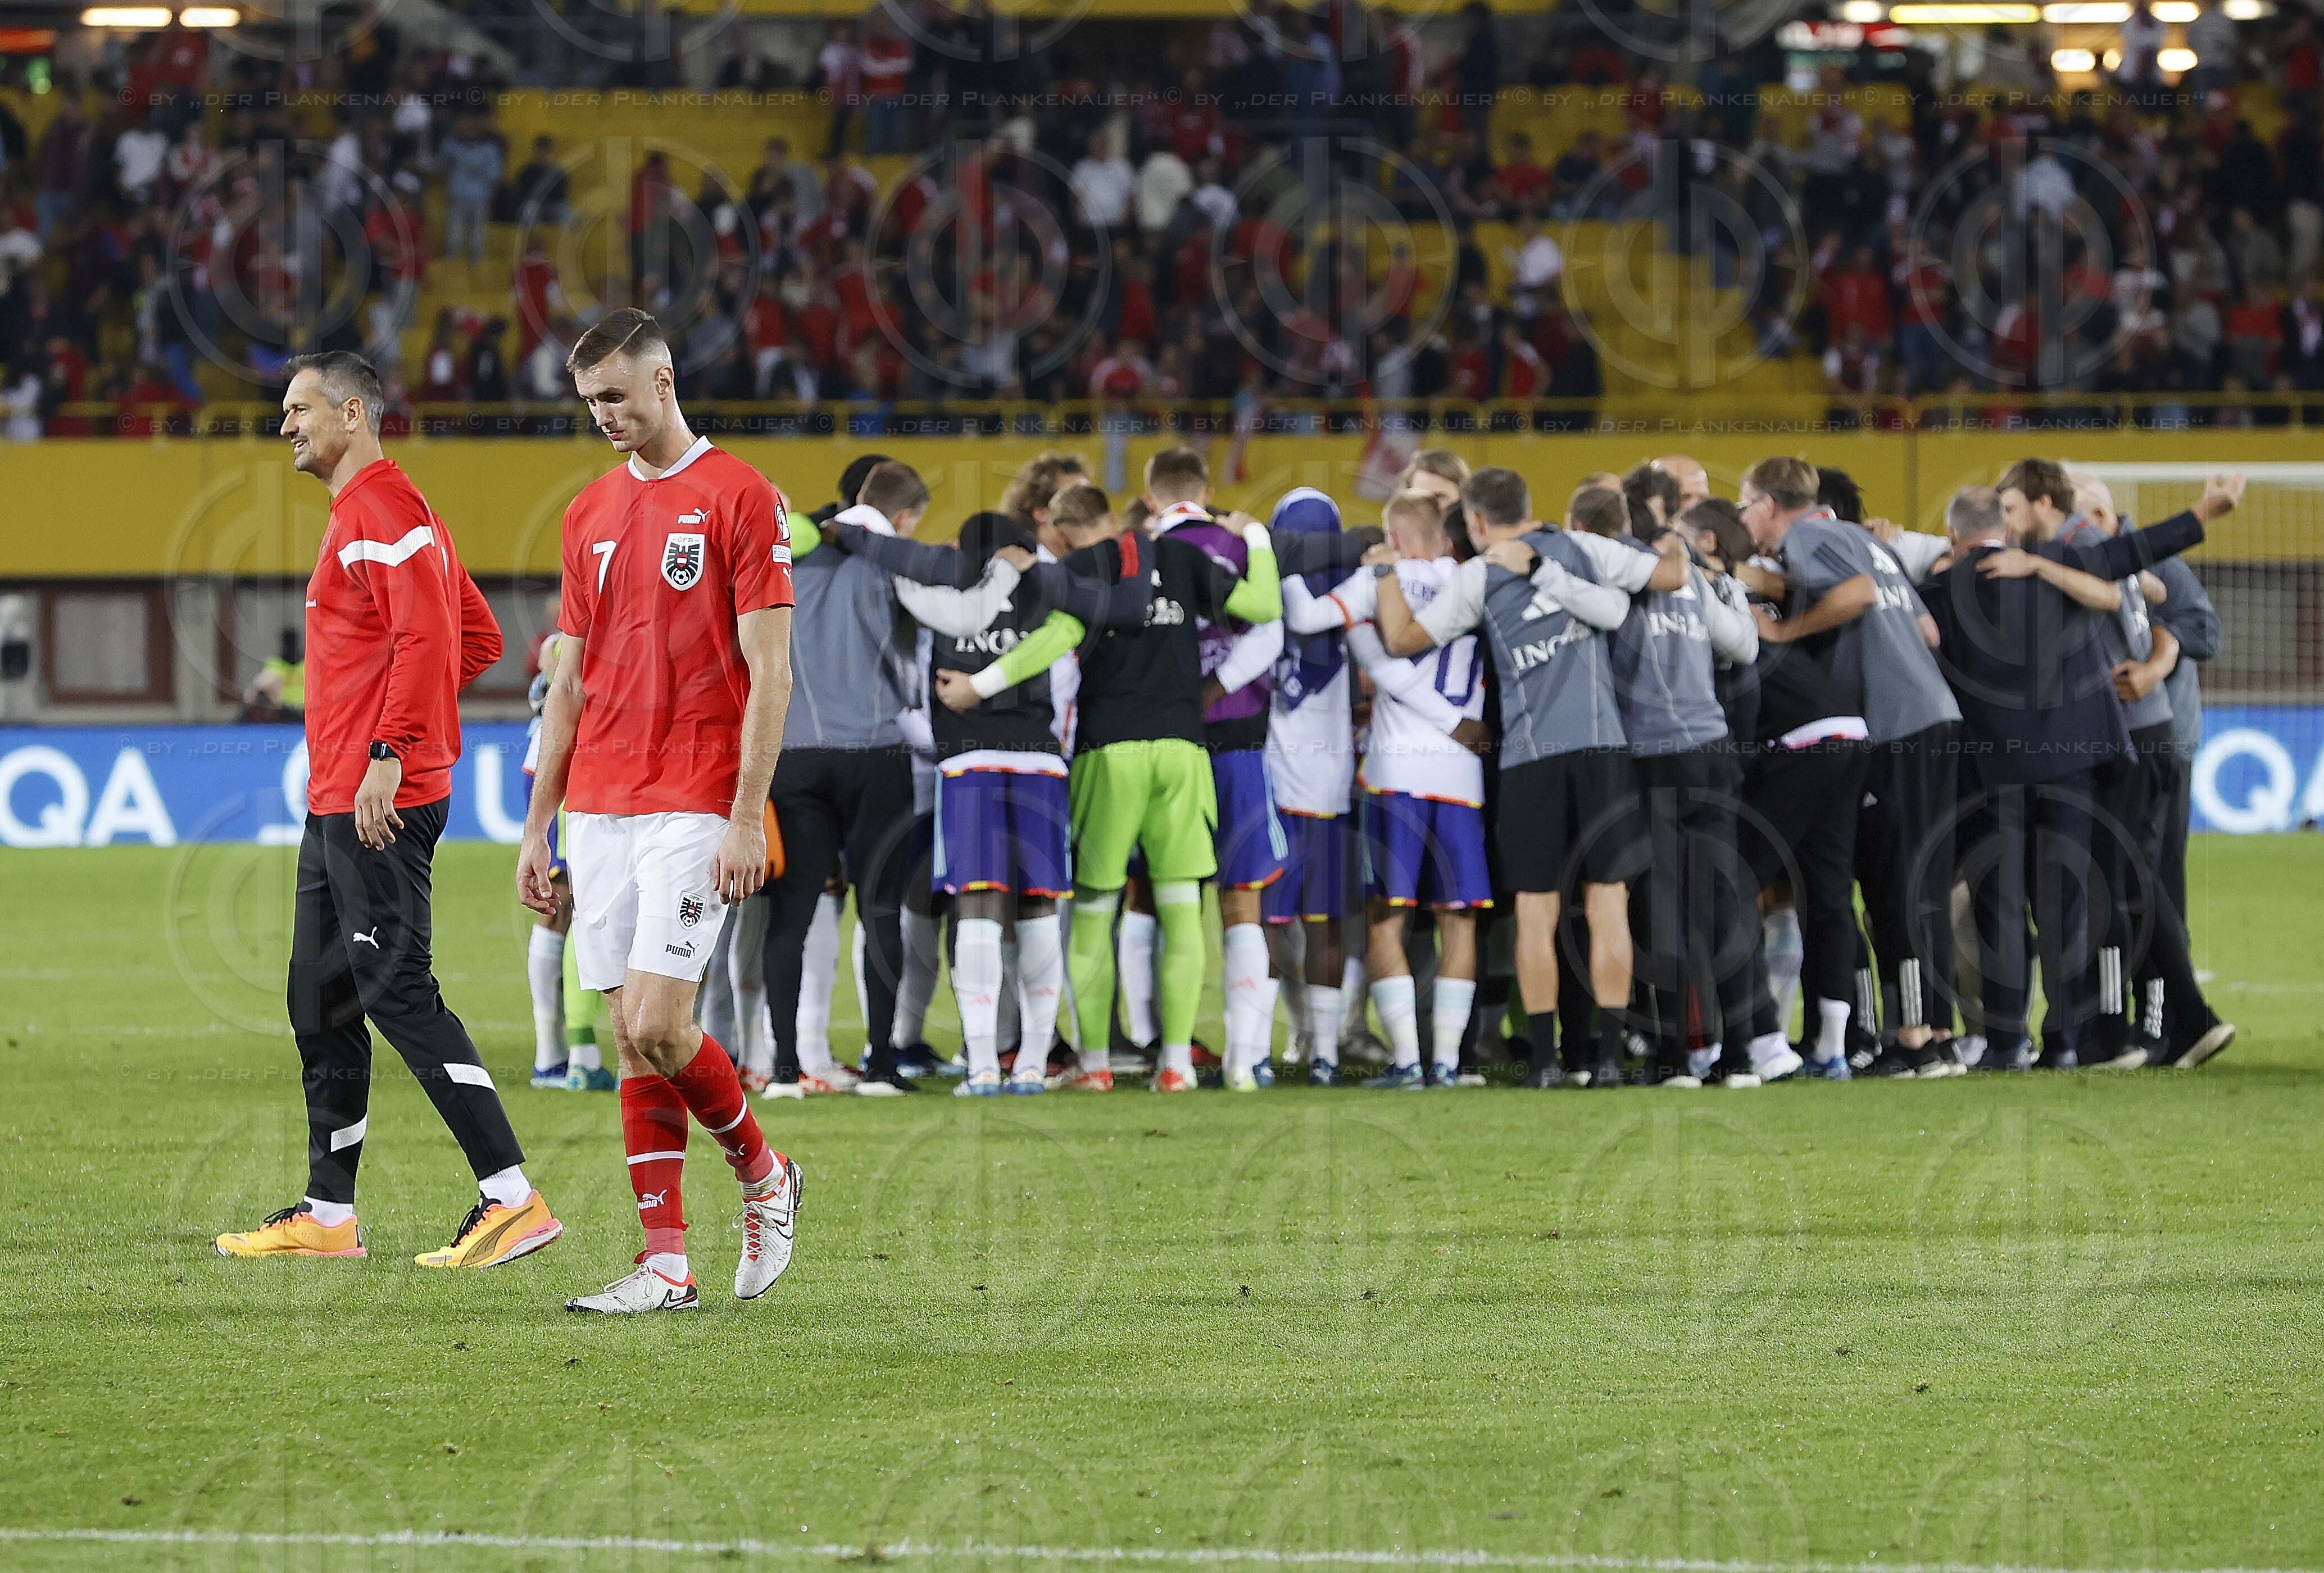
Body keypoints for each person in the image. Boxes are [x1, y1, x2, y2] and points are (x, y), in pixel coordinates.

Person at [216, 352, 562, 1270]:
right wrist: (387, 731)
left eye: (299, 408)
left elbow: (425, 636)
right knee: (319, 998)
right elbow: (475, 637)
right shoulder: (395, 516)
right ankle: (329, 1216)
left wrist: (388, 750)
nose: (285, 424)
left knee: (398, 992)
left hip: (377, 798)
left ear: (353, 411)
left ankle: (512, 1199)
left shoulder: (382, 512)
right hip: (341, 797)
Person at [517, 310, 802, 1315]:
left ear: (665, 381)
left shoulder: (741, 497)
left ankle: (766, 1178)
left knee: (661, 1022)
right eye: (590, 399)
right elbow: (570, 680)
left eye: (617, 396)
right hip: (599, 800)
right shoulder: (588, 513)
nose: (603, 414)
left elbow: (772, 671)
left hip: (695, 796)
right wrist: (537, 824)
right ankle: (666, 1264)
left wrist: (744, 814)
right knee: (627, 1039)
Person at [962, 481, 1282, 1092]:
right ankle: (1177, 1065)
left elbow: (1053, 642)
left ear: (1061, 529)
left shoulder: (1082, 569)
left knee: (1093, 911)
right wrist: (1257, 539)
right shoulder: (1187, 559)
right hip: (1183, 751)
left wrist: (978, 686)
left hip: (1109, 752)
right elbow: (1264, 607)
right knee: (1182, 908)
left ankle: (1097, 1066)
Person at [1374, 471, 1683, 1090]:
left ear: (1476, 520)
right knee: (1607, 906)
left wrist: (1384, 570)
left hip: (1529, 757)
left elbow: (1403, 638)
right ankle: (1604, 1059)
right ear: (1529, 506)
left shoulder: (1477, 576)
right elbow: (1671, 576)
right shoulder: (1583, 548)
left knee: (1536, 912)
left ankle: (1543, 1061)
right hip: (1602, 751)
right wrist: (1676, 534)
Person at [1927, 477, 2224, 1070]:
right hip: (2076, 760)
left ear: (1952, 536)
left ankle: (2008, 1042)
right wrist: (2203, 511)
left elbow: (1924, 641)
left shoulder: (1937, 590)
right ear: (2006, 529)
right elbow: (2133, 554)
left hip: (1997, 766)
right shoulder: (2057, 564)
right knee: (2070, 901)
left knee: (2001, 903)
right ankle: (2069, 1038)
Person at [1741, 456, 1965, 1077]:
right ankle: (1937, 1034)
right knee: (1919, 880)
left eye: (1744, 505)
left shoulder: (1808, 536)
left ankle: (1915, 1038)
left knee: (1900, 887)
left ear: (1766, 504)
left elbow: (1859, 595)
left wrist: (1789, 634)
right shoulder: (1864, 542)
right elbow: (1925, 630)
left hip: (1898, 726)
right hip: (1934, 716)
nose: (1744, 519)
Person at [1289, 490, 1495, 1088]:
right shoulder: (1470, 579)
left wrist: (1283, 566)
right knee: (1459, 920)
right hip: (1462, 773)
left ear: (1394, 536)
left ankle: (1406, 1061)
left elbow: (1306, 621)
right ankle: (1448, 1064)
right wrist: (1458, 722)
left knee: (1386, 920)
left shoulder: (1375, 577)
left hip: (1396, 771)